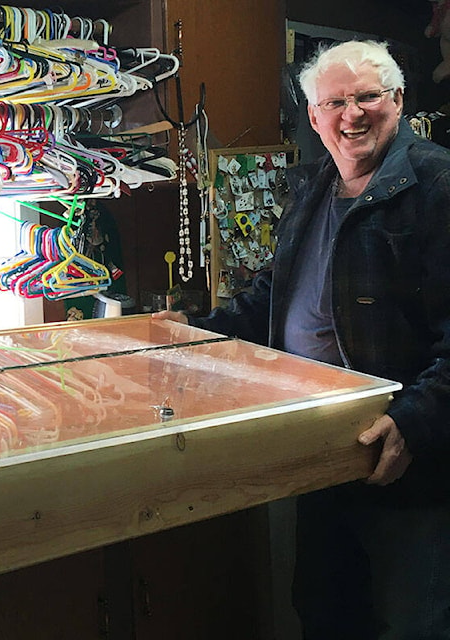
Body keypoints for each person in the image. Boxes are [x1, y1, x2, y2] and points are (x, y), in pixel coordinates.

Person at [156, 40, 450, 638]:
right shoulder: (312, 185)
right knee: (324, 609)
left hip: (404, 456)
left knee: (413, 621)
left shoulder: (437, 186)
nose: (352, 114)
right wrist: (198, 330)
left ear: (398, 100)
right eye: (335, 102)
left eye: (368, 96)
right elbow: (276, 290)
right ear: (314, 117)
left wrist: (416, 422)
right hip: (319, 448)